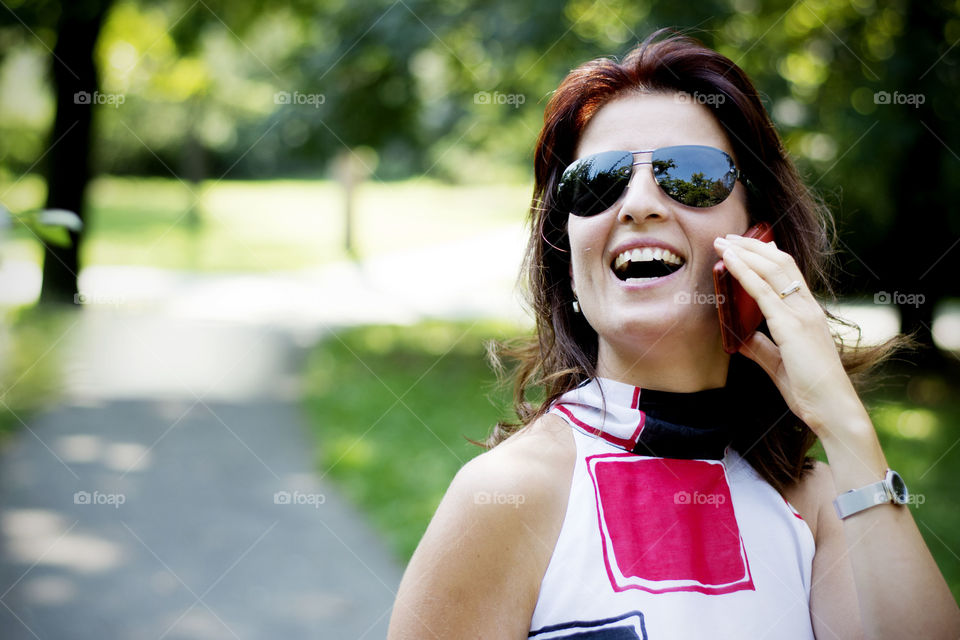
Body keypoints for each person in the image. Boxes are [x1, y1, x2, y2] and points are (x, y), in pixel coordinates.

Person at [388, 30, 960, 639]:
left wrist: (845, 427)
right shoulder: (507, 495)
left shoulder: (819, 501)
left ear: (758, 239)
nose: (637, 204)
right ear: (568, 255)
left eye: (689, 173)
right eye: (597, 181)